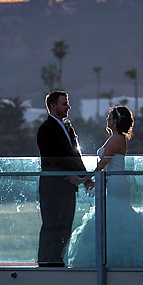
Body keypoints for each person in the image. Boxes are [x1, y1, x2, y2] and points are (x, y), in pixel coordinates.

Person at [66, 106, 143, 268]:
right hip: (115, 181)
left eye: (110, 117)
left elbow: (103, 162)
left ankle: (114, 259)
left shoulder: (116, 138)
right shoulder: (117, 138)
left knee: (115, 216)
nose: (107, 120)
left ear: (116, 121)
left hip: (116, 183)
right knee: (115, 215)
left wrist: (84, 178)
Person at [36, 90, 92, 267]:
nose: (68, 106)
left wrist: (85, 178)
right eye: (64, 103)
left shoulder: (68, 127)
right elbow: (51, 159)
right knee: (51, 225)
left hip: (68, 188)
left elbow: (75, 155)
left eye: (67, 103)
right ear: (53, 106)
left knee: (65, 226)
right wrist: (68, 176)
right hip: (52, 187)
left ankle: (59, 261)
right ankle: (46, 263)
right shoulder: (46, 129)